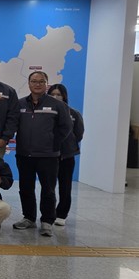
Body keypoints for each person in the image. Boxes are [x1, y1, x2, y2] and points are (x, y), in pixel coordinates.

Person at [12, 71, 73, 237]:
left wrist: (53, 142)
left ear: (46, 84)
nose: (37, 84)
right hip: (24, 154)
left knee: (48, 190)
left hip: (48, 155)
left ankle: (47, 221)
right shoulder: (19, 104)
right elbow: (13, 124)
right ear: (29, 84)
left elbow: (66, 127)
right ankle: (29, 218)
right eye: (34, 81)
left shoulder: (58, 105)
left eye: (41, 81)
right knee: (25, 188)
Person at [47, 83, 84, 227]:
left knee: (65, 186)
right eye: (52, 94)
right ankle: (49, 213)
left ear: (64, 97)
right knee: (49, 187)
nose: (55, 97)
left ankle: (62, 214)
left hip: (66, 156)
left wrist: (69, 144)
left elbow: (78, 133)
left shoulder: (73, 113)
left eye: (58, 94)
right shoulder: (46, 112)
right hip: (49, 155)